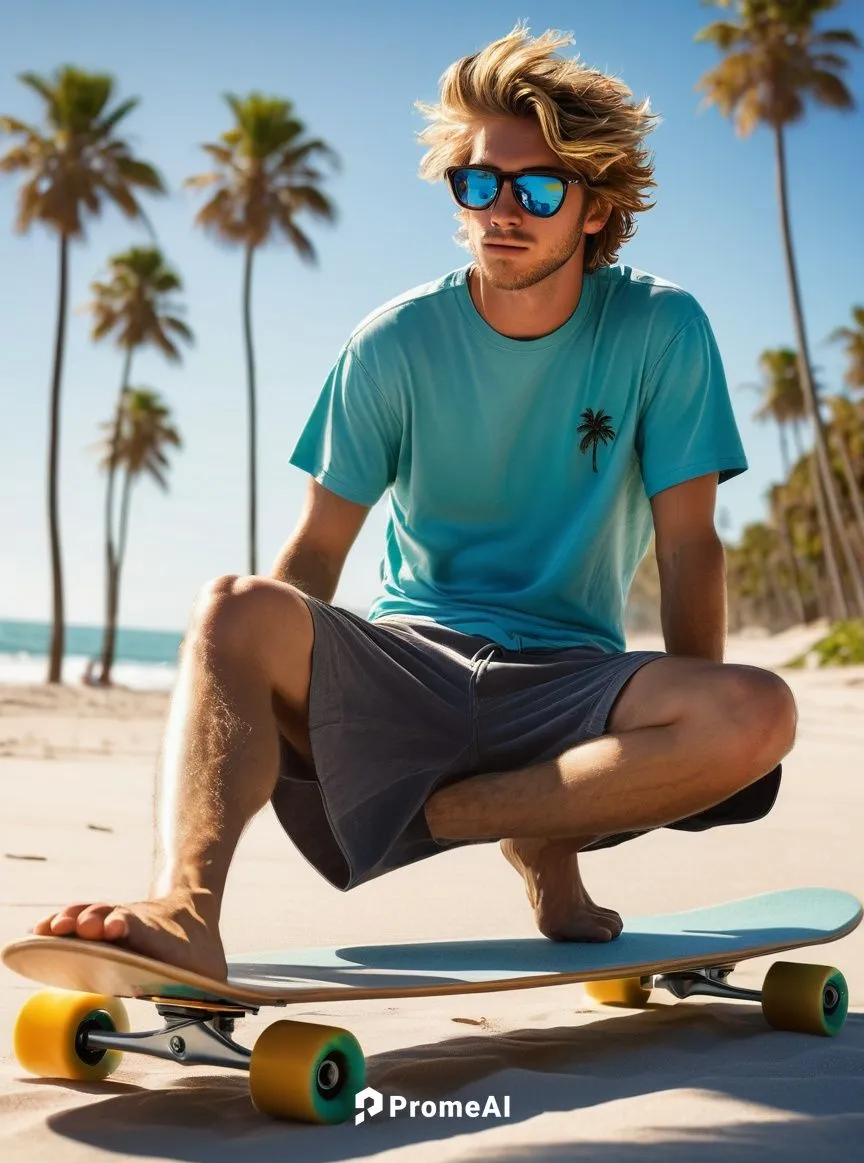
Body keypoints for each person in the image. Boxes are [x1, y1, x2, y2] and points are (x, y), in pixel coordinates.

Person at [33, 25, 796, 979]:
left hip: (570, 684)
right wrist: (271, 686)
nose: (501, 210)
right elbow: (315, 553)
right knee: (232, 605)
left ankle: (472, 820)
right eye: (478, 183)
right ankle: (187, 910)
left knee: (758, 714)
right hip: (411, 663)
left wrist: (678, 760)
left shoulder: (661, 329)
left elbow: (691, 548)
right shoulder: (394, 344)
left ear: (594, 211)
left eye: (538, 188)